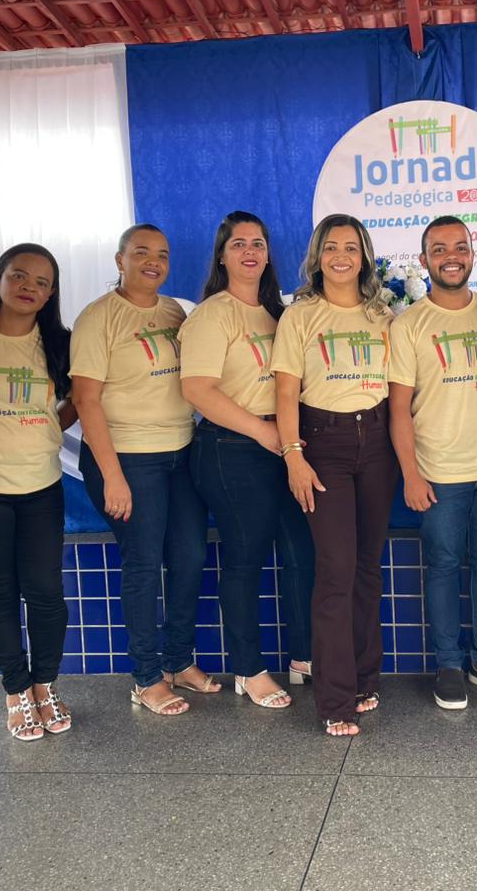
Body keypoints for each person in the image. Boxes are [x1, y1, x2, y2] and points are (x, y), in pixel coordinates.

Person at [71, 224, 212, 719]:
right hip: (128, 458)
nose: (153, 262)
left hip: (180, 452)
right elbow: (85, 400)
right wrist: (112, 476)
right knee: (144, 564)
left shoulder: (175, 312)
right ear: (120, 260)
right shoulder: (98, 318)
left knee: (190, 556)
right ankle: (147, 677)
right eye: (142, 253)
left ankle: (179, 660)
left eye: (162, 255)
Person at [388, 215, 477, 710]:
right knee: (443, 566)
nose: (451, 257)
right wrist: (410, 474)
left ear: (472, 254)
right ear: (424, 260)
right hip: (438, 473)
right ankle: (448, 665)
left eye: (460, 247)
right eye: (440, 249)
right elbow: (398, 409)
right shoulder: (409, 325)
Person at [180, 211, 315, 710]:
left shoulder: (278, 313)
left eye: (257, 243)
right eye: (238, 244)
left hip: (283, 446)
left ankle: (304, 656)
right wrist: (262, 431)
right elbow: (197, 390)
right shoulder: (212, 315)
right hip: (232, 449)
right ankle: (248, 668)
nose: (250, 251)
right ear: (222, 255)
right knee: (245, 557)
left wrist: (283, 438)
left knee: (300, 552)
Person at [271, 214, 396, 737]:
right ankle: (335, 700)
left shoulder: (383, 314)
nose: (341, 256)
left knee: (367, 567)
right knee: (336, 569)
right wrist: (293, 456)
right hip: (324, 444)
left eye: (351, 247)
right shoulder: (300, 316)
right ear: (317, 256)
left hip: (379, 441)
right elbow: (284, 392)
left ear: (364, 257)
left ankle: (365, 680)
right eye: (331, 247)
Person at [0, 244, 76, 740]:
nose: (30, 287)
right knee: (0, 594)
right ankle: (16, 690)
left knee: (46, 593)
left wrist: (49, 429)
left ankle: (45, 685)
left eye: (42, 282)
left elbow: (81, 399)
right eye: (19, 276)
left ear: (51, 293)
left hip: (41, 487)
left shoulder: (59, 344)